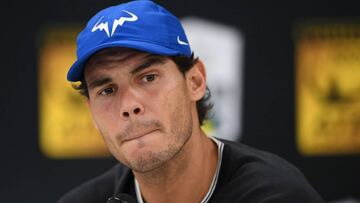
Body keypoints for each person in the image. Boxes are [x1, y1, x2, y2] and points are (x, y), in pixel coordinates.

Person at [58, 0, 325, 202]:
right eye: (107, 90)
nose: (129, 105)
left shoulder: (275, 195)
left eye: (148, 77)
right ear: (91, 110)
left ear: (195, 81)